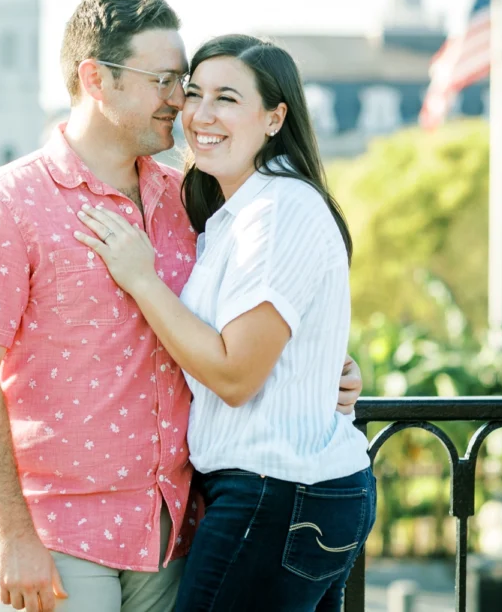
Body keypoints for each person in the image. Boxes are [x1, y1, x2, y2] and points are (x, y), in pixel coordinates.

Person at [0, 0, 362, 612]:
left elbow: (247, 318)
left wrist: (322, 370)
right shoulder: (6, 205)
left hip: (176, 529)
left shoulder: (191, 201)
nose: (179, 101)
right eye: (163, 80)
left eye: (181, 81)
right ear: (95, 79)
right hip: (59, 535)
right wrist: (11, 531)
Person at [74, 34, 376, 611]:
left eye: (228, 99)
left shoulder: (278, 211)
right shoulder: (236, 215)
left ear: (274, 117)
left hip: (275, 497)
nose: (201, 114)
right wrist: (320, 376)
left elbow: (236, 376)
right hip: (291, 495)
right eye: (194, 93)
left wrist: (142, 280)